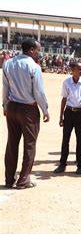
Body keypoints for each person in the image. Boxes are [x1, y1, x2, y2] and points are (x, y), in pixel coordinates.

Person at [3, 39, 49, 189]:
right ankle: (23, 180)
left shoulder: (8, 63)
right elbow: (39, 92)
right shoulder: (33, 67)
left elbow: (5, 88)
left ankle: (9, 179)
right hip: (28, 109)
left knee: (12, 143)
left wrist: (5, 104)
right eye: (37, 50)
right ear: (30, 50)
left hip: (12, 107)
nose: (39, 53)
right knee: (29, 145)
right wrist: (45, 110)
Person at [54, 61, 81, 174]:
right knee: (65, 139)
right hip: (69, 112)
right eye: (79, 68)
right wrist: (61, 116)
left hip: (80, 113)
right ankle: (62, 164)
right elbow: (64, 99)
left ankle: (79, 165)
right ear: (72, 70)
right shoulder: (66, 82)